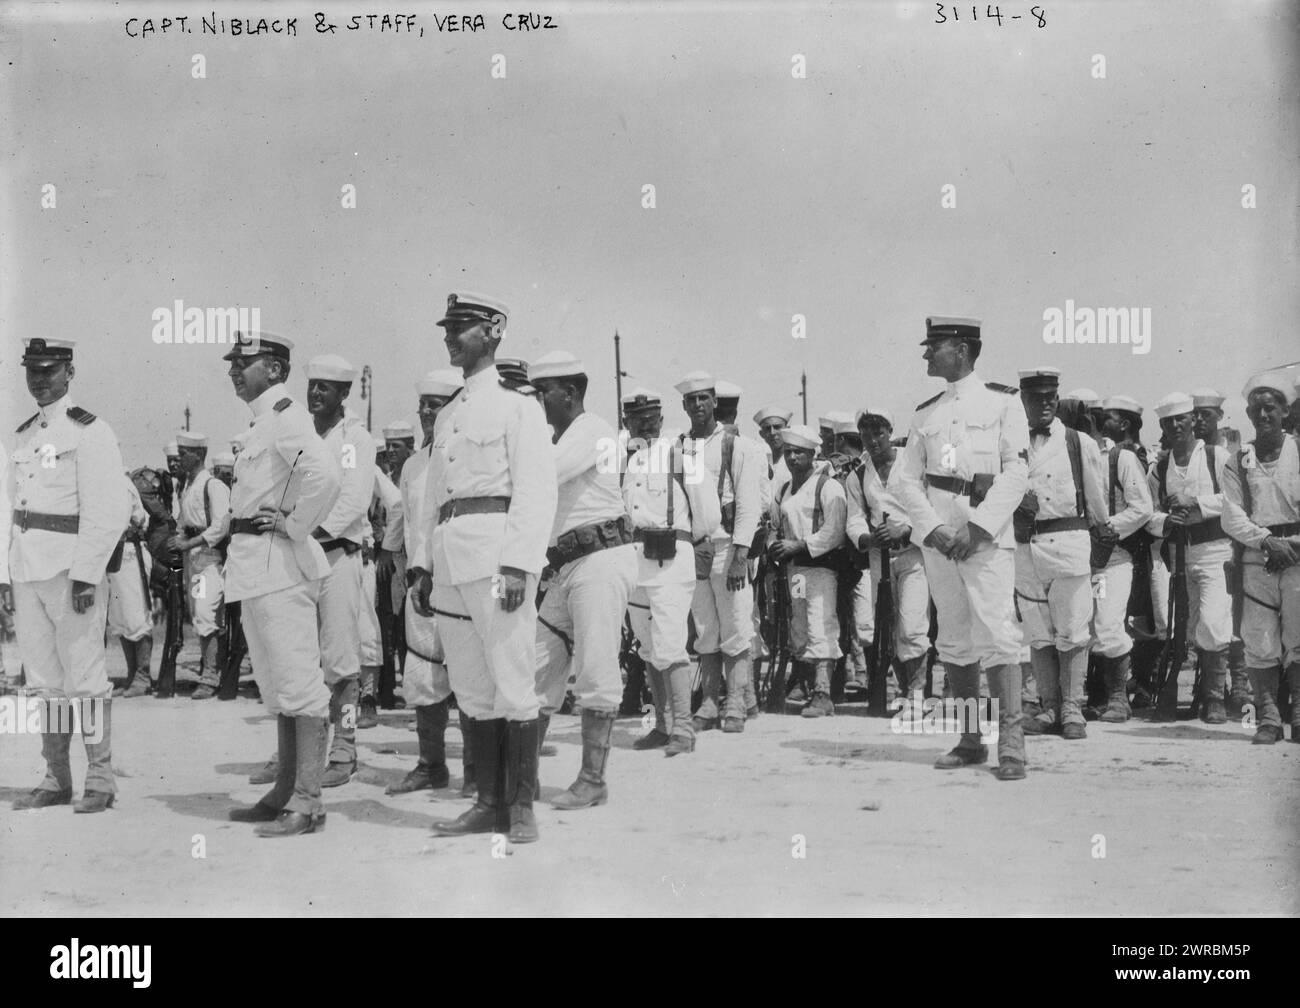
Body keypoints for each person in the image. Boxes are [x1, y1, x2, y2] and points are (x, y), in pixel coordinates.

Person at [412, 293, 557, 845]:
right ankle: (488, 801)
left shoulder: (519, 405)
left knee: (514, 680)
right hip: (450, 560)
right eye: (448, 328)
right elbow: (432, 499)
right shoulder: (448, 413)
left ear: (494, 331)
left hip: (497, 557)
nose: (451, 336)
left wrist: (520, 565)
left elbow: (536, 491)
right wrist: (423, 565)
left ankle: (521, 806)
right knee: (472, 688)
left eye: (463, 327)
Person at [893, 316, 1029, 781]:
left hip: (984, 539)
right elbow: (904, 481)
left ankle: (1011, 744)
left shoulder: (1004, 404)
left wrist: (980, 527)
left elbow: (1016, 472)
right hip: (938, 541)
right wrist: (930, 528)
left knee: (997, 633)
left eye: (935, 347)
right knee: (953, 635)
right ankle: (972, 740)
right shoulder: (924, 413)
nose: (926, 355)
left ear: (964, 351)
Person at [222, 331, 342, 837]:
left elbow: (327, 477)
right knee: (277, 688)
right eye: (233, 363)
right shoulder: (262, 423)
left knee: (300, 686)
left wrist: (293, 523)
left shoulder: (287, 416)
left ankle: (308, 801)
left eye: (244, 363)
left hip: (280, 567)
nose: (233, 371)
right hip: (254, 565)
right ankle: (285, 789)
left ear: (273, 369)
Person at [2, 337, 129, 813]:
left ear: (69, 372)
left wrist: (86, 573)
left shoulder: (90, 431)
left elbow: (108, 510)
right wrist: (5, 576)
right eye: (32, 370)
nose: (39, 378)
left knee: (86, 674)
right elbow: (11, 509)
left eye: (49, 370)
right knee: (43, 679)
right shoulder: (23, 434)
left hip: (70, 569)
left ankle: (101, 776)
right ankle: (57, 776)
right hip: (27, 569)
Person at [529, 351, 638, 809]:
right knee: (534, 666)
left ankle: (593, 779)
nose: (538, 400)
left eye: (543, 392)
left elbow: (543, 476)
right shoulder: (557, 436)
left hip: (600, 558)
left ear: (569, 393)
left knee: (595, 668)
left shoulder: (592, 430)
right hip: (564, 565)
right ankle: (522, 777)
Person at [621, 389, 720, 755]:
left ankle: (683, 728)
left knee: (670, 644)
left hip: (670, 558)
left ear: (661, 421)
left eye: (651, 419)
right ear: (626, 423)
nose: (644, 425)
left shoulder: (682, 456)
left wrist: (686, 542)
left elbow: (708, 514)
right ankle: (661, 725)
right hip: (635, 562)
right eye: (636, 419)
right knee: (647, 647)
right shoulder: (624, 463)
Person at [1013, 368, 1109, 740]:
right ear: (1022, 401)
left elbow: (1097, 504)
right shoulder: (1010, 443)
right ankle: (1050, 705)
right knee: (1038, 633)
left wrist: (1098, 546)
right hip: (1026, 549)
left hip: (1068, 545)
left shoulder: (1077, 442)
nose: (1045, 404)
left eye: (1051, 396)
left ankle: (1072, 709)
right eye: (1037, 398)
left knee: (1071, 630)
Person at [386, 368, 467, 794]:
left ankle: (480, 770)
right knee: (421, 674)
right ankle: (430, 765)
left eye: (433, 406)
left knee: (471, 674)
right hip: (422, 587)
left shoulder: (467, 456)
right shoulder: (414, 465)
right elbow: (410, 523)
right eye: (421, 406)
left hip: (460, 579)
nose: (424, 413)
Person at [675, 371, 762, 734]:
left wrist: (742, 553)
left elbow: (749, 504)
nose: (697, 405)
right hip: (695, 548)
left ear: (714, 402)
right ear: (683, 405)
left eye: (703, 399)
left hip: (729, 548)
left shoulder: (736, 445)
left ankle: (738, 701)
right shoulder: (680, 447)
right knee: (705, 627)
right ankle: (710, 701)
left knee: (736, 624)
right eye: (690, 400)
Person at [305, 354, 376, 788]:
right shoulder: (300, 435)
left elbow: (353, 500)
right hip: (299, 559)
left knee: (341, 660)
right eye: (312, 385)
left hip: (336, 556)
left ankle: (344, 747)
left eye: (325, 388)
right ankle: (300, 751)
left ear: (343, 394)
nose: (315, 393)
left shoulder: (355, 438)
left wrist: (307, 533)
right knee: (301, 658)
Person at [1221, 371, 1300, 744]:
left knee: (1298, 636)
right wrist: (1267, 541)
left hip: (1298, 556)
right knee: (1259, 638)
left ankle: (1298, 713)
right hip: (1259, 558)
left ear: (1286, 411)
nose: (1262, 416)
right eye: (1255, 411)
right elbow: (1232, 515)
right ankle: (1267, 716)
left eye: (1270, 408)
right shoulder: (1239, 459)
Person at [1146, 392, 1232, 723]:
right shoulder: (1161, 466)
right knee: (1183, 627)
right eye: (1168, 422)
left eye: (1181, 419)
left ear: (1192, 420)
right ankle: (1192, 693)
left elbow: (1236, 500)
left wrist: (1196, 506)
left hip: (1213, 550)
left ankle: (1214, 698)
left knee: (1212, 622)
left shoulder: (1216, 456)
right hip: (1177, 554)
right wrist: (1167, 520)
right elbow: (1148, 512)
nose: (1176, 426)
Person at [847, 407, 931, 700]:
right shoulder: (858, 475)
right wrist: (868, 538)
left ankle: (919, 690)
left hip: (912, 554)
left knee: (912, 624)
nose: (872, 441)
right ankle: (904, 689)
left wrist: (905, 530)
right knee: (887, 625)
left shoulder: (910, 465)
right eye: (866, 434)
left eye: (878, 433)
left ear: (889, 433)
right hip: (878, 559)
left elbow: (926, 507)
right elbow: (855, 517)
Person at [1080, 395, 1155, 723]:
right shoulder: (1070, 455)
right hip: (1080, 559)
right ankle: (1094, 697)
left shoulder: (1120, 458)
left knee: (1109, 623)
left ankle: (1117, 698)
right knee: (1086, 628)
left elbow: (1142, 508)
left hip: (1113, 559)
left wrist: (1107, 530)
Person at [768, 425, 848, 716]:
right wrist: (774, 545)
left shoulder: (828, 486)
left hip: (820, 568)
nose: (791, 457)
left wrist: (799, 545)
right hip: (796, 571)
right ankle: (805, 684)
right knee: (799, 624)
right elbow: (775, 526)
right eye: (788, 451)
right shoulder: (785, 489)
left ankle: (824, 692)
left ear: (812, 453)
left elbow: (834, 532)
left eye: (798, 452)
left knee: (821, 623)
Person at [170, 431, 231, 700]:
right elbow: (183, 520)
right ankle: (208, 669)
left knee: (208, 614)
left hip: (211, 559)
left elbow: (220, 525)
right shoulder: (187, 486)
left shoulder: (213, 486)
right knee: (199, 617)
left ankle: (212, 676)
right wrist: (179, 540)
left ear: (199, 455)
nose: (180, 459)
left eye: (184, 454)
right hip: (193, 560)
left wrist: (189, 542)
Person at [108, 471, 155, 698]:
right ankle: (131, 674)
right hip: (111, 556)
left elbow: (121, 521)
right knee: (119, 618)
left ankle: (143, 676)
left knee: (136, 616)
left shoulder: (121, 483)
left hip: (128, 552)